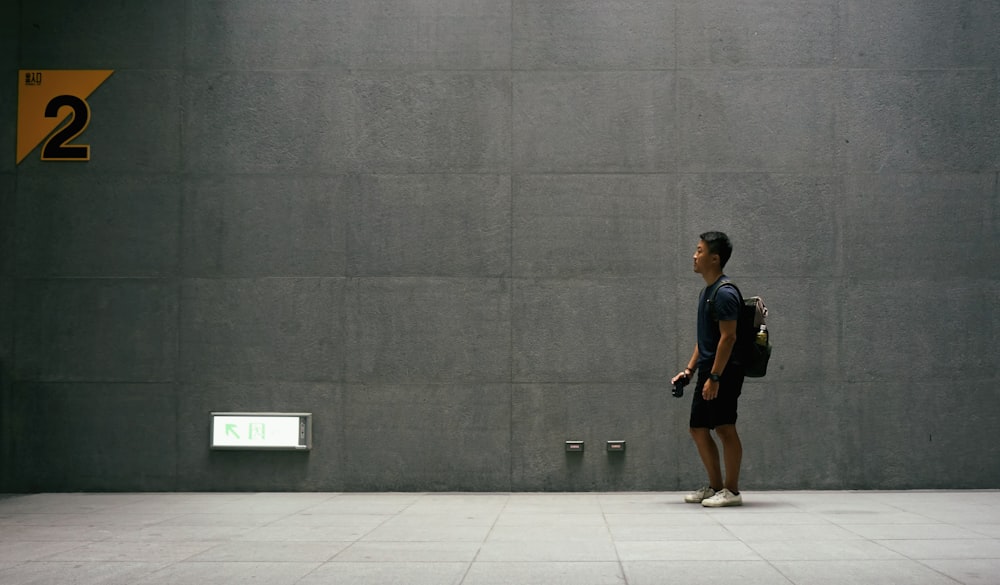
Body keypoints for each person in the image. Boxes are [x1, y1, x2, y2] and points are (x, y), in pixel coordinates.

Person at [671, 231, 746, 507]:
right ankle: (715, 486)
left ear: (714, 259)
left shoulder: (725, 293)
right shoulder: (707, 293)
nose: (694, 255)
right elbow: (706, 339)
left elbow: (729, 338)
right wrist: (689, 371)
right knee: (698, 428)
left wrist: (714, 376)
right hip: (708, 372)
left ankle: (732, 491)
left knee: (725, 428)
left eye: (700, 251)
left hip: (724, 371)